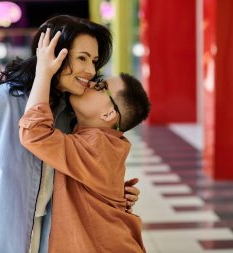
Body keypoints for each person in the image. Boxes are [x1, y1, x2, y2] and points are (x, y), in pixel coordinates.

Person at [0, 15, 141, 253]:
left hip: (52, 243)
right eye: (82, 58)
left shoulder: (75, 116)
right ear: (51, 53)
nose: (91, 70)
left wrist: (115, 193)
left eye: (94, 61)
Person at [19, 28, 150, 252]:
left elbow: (34, 133)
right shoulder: (110, 142)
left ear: (109, 114)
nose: (90, 80)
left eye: (100, 86)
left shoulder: (97, 146)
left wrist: (44, 72)